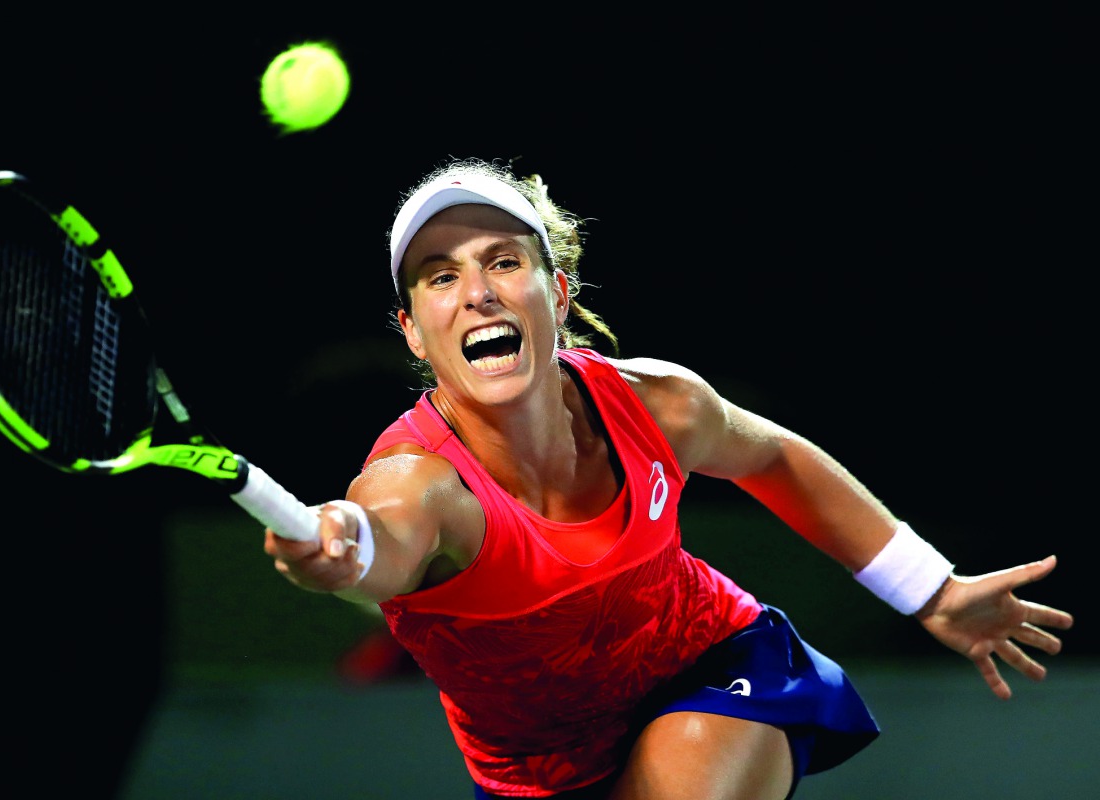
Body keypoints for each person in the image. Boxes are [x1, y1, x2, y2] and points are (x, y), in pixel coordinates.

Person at [263, 157, 1074, 800]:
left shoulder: (659, 405)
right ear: (412, 332)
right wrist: (343, 554)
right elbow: (378, 540)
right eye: (440, 277)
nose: (476, 293)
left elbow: (774, 457)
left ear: (557, 292)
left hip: (714, 665)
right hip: (540, 772)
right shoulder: (416, 483)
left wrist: (928, 588)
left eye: (503, 262)